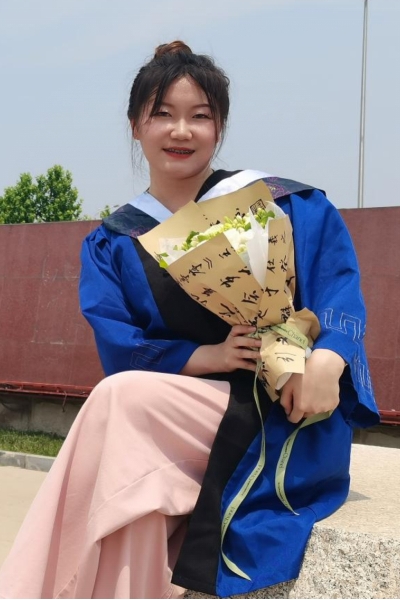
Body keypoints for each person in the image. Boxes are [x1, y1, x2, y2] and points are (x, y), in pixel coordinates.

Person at [0, 41, 379, 599]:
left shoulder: (280, 204)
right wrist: (211, 356)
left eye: (200, 116)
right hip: (191, 408)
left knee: (121, 417)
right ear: (136, 126)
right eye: (163, 114)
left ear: (219, 128)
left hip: (288, 410)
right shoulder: (116, 241)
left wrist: (329, 358)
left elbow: (337, 286)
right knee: (129, 444)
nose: (181, 131)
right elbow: (121, 348)